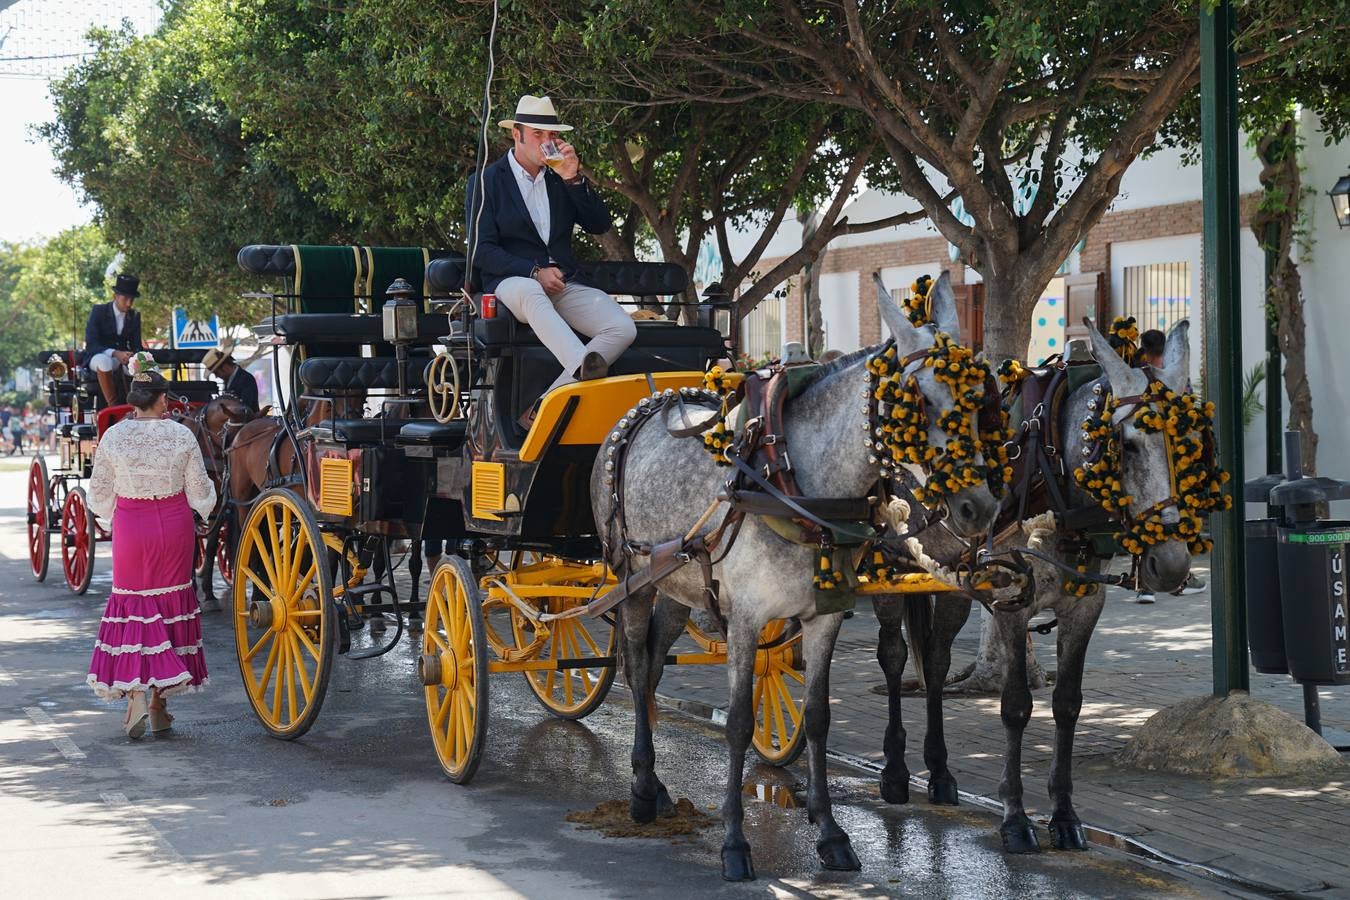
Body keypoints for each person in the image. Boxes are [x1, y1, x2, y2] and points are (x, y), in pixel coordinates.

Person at [466, 95, 636, 427]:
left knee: (622, 327)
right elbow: (482, 251)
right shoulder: (486, 182)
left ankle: (543, 406)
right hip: (511, 282)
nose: (547, 143)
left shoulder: (560, 178)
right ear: (517, 135)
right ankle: (580, 364)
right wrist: (533, 271)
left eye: (552, 135)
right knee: (530, 291)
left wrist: (574, 179)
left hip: (562, 283)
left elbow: (599, 224)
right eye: (538, 135)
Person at [86, 370, 216, 738]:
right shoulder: (181, 434)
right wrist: (207, 508)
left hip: (131, 524)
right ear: (162, 400)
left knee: (133, 606)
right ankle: (160, 706)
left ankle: (135, 699)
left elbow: (99, 494)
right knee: (170, 607)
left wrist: (118, 514)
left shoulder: (113, 436)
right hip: (174, 525)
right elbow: (200, 493)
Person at [1128, 327, 1205, 602]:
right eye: (1155, 358)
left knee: (1173, 514)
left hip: (1166, 453)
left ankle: (1171, 577)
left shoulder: (1145, 370)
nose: (1157, 364)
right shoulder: (1139, 373)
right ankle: (1147, 584)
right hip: (1152, 453)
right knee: (1152, 511)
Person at [84, 274, 144, 407]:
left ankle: (140, 405)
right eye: (126, 298)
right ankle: (113, 406)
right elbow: (92, 344)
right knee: (104, 362)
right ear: (115, 296)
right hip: (98, 357)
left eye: (132, 299)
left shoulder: (134, 316)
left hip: (121, 359)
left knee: (142, 365)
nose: (129, 303)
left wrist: (133, 356)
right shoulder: (98, 311)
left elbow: (137, 345)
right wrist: (115, 353)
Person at [201, 346, 260, 412]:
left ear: (225, 367)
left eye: (216, 373)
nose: (216, 376)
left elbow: (246, 406)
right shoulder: (228, 380)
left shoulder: (246, 379)